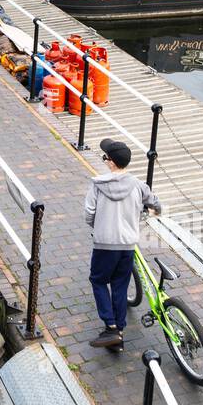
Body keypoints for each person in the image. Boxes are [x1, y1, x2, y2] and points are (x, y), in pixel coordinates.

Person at [85, 139, 161, 349]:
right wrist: (153, 212)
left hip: (104, 244)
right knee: (120, 284)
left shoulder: (97, 185)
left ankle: (110, 327)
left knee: (98, 280)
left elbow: (89, 214)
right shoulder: (138, 185)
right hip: (127, 245)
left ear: (110, 163)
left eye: (105, 157)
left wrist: (98, 226)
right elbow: (155, 203)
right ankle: (118, 331)